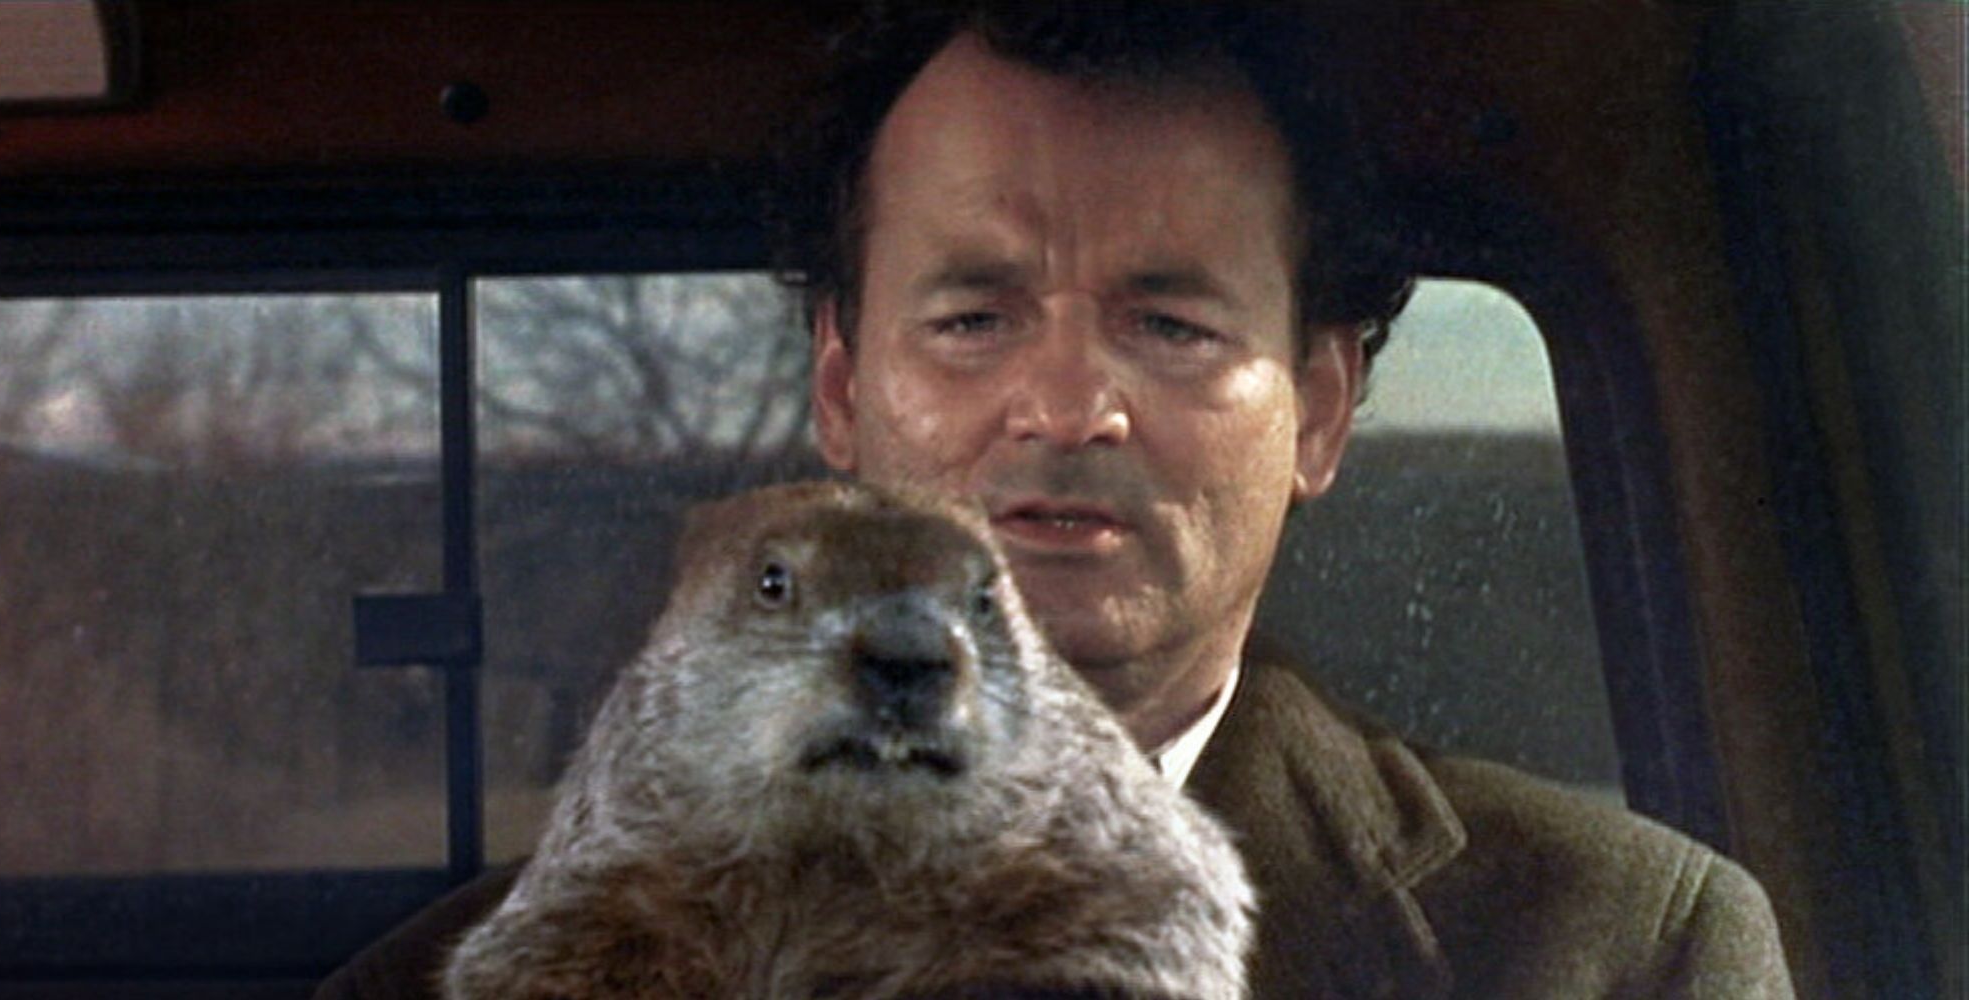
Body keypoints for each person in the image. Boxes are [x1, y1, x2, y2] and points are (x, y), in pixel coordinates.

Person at [316, 5, 1795, 997]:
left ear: (1320, 409)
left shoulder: (1619, 950)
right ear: (840, 386)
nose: (1068, 405)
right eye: (972, 320)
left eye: (1172, 325)